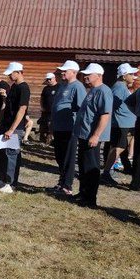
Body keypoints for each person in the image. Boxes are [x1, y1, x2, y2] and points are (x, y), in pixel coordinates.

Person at [72, 64, 113, 207]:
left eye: (89, 74)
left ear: (99, 75)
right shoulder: (92, 90)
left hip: (92, 136)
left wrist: (96, 135)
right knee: (83, 165)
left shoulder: (104, 91)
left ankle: (90, 198)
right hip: (84, 134)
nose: (85, 77)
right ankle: (83, 193)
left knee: (91, 167)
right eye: (85, 74)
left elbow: (105, 115)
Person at [50, 60, 87, 196]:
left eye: (65, 71)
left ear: (74, 72)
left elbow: (82, 107)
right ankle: (61, 182)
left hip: (69, 127)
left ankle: (67, 186)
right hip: (58, 127)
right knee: (60, 156)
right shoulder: (62, 86)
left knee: (68, 157)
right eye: (62, 71)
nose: (62, 73)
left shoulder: (78, 86)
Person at [0, 62, 30, 194]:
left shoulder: (24, 88)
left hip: (14, 128)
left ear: (18, 72)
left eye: (11, 73)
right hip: (6, 125)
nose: (9, 76)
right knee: (2, 153)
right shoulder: (14, 86)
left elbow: (22, 109)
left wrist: (12, 129)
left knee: (11, 155)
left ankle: (10, 183)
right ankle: (3, 179)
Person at [102, 63, 139, 185]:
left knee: (119, 147)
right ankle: (107, 172)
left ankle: (109, 170)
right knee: (118, 147)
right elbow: (113, 105)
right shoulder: (119, 87)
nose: (134, 77)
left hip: (123, 123)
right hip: (120, 123)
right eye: (131, 74)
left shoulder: (122, 87)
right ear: (124, 76)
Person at [39, 72, 58, 144]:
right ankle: (44, 140)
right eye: (47, 79)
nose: (48, 81)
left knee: (52, 125)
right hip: (46, 111)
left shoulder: (59, 87)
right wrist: (42, 106)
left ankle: (52, 140)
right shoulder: (46, 88)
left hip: (55, 111)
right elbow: (42, 98)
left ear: (54, 78)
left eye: (50, 79)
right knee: (44, 126)